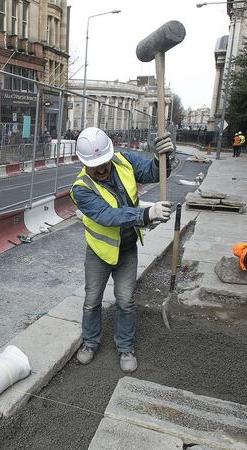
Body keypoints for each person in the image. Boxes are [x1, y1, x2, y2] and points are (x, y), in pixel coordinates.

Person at [70, 127, 174, 373]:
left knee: (126, 301)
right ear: (84, 164)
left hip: (127, 249)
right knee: (91, 301)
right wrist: (147, 214)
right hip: (99, 253)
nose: (103, 169)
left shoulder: (123, 160)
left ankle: (125, 347)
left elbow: (152, 172)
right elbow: (107, 216)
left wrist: (165, 157)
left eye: (104, 162)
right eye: (96, 166)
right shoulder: (81, 189)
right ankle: (90, 342)